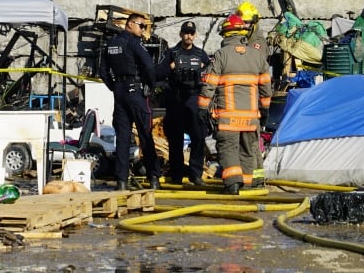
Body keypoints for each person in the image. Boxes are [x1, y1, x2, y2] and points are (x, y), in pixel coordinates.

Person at [198, 14, 272, 195]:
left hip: (228, 118)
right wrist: (264, 110)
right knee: (247, 151)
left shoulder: (222, 55)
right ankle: (246, 185)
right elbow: (266, 89)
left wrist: (201, 108)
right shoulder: (257, 56)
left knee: (229, 149)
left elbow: (209, 84)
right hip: (250, 118)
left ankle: (232, 184)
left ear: (226, 34)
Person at [99, 13, 161, 191]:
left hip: (119, 93)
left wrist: (114, 87)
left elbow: (103, 71)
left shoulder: (110, 44)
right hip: (135, 91)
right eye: (141, 26)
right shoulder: (134, 43)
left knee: (123, 139)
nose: (143, 30)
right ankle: (153, 177)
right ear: (130, 25)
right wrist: (150, 85)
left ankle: (121, 181)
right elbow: (149, 66)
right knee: (145, 135)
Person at [156, 21, 210, 186]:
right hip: (176, 99)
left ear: (195, 35)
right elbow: (158, 73)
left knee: (198, 137)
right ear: (181, 34)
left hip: (194, 98)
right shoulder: (172, 53)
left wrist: (203, 69)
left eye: (191, 33)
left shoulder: (201, 55)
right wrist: (171, 67)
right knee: (175, 139)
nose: (189, 36)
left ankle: (196, 175)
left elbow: (210, 74)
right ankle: (177, 175)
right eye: (186, 33)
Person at [235, 1, 270, 186]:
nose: (243, 25)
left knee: (252, 140)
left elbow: (256, 68)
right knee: (244, 140)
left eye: (246, 22)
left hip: (253, 98)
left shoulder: (257, 43)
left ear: (254, 22)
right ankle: (252, 175)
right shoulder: (243, 39)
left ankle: (257, 178)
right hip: (243, 97)